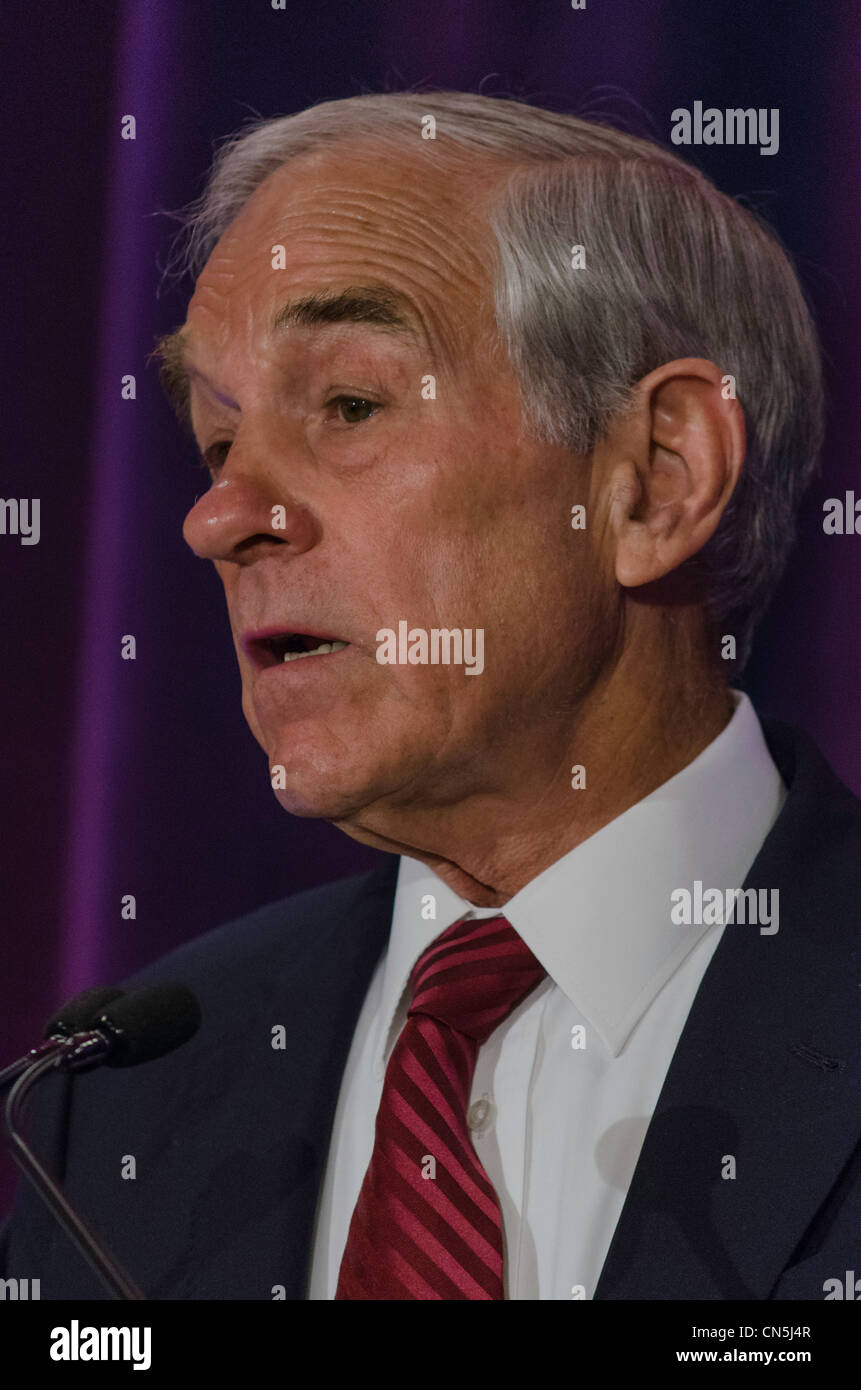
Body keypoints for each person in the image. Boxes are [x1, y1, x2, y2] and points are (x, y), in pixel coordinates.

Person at [2, 91, 859, 1301]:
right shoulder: (111, 1108)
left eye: (349, 405)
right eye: (216, 443)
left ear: (657, 480)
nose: (220, 519)